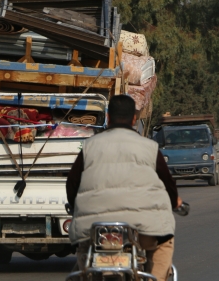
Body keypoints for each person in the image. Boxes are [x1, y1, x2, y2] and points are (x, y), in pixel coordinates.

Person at [66, 95, 182, 281]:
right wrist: (176, 202)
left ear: (108, 117)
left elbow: (72, 185)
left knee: (84, 249)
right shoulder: (150, 147)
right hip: (142, 230)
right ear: (134, 119)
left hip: (95, 229)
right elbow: (168, 183)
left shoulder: (89, 147)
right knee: (164, 243)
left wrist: (76, 208)